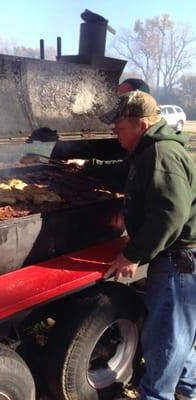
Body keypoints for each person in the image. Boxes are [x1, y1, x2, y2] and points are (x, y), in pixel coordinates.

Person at [101, 90, 196, 400]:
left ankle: (156, 395)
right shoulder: (148, 150)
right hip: (179, 258)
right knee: (180, 334)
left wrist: (133, 253)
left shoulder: (160, 154)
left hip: (179, 261)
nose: (114, 131)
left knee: (164, 339)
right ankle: (188, 389)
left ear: (141, 124)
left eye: (119, 125)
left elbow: (170, 214)